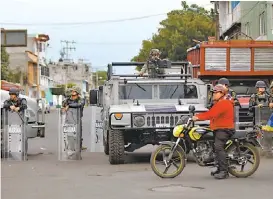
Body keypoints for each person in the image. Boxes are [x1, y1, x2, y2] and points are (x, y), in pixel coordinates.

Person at [192, 84, 235, 179]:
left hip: (224, 129)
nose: (213, 94)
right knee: (214, 147)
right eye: (213, 92)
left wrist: (197, 117)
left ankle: (224, 171)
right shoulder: (219, 102)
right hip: (219, 128)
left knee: (218, 147)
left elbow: (211, 114)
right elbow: (213, 114)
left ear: (222, 93)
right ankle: (219, 168)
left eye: (216, 92)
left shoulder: (224, 103)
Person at [62, 86, 86, 150]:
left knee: (78, 134)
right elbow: (63, 105)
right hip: (69, 118)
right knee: (69, 133)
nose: (72, 92)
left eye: (74, 91)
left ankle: (79, 147)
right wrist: (66, 102)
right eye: (72, 91)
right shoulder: (68, 99)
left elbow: (79, 105)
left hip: (77, 119)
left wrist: (69, 105)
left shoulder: (81, 99)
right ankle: (69, 146)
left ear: (77, 92)